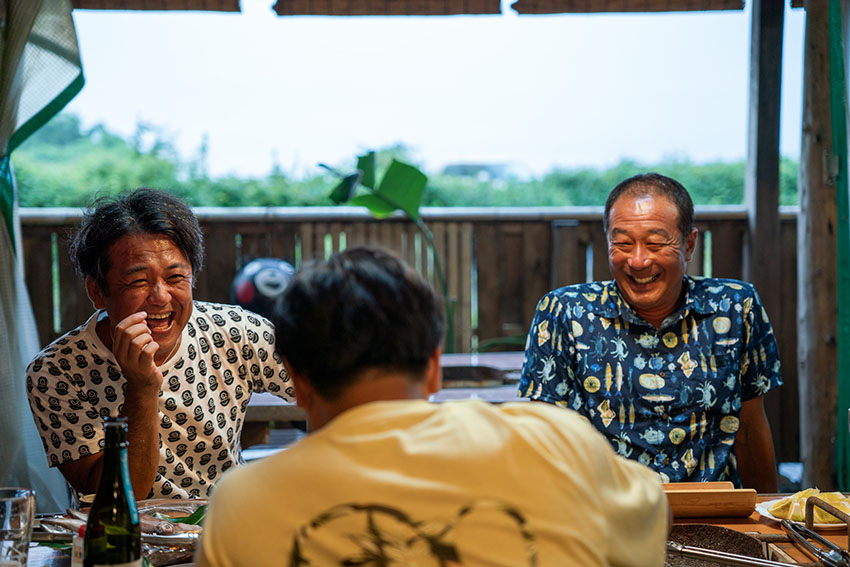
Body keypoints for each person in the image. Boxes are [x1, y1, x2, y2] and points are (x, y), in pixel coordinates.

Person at [196, 246, 669, 567]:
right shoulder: (555, 439)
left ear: (296, 380)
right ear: (435, 366)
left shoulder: (242, 505)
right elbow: (649, 527)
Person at [518, 172, 782, 492]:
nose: (638, 260)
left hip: (714, 514)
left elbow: (751, 430)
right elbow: (541, 439)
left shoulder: (735, 307)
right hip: (605, 516)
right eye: (623, 243)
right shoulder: (564, 312)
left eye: (655, 243)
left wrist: (768, 519)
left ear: (688, 244)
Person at [25, 188, 294, 500]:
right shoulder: (57, 371)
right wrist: (141, 387)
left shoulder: (237, 332)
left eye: (176, 277)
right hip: (123, 539)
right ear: (97, 291)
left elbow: (332, 387)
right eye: (139, 281)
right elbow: (115, 498)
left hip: (225, 526)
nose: (161, 297)